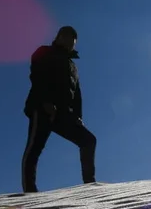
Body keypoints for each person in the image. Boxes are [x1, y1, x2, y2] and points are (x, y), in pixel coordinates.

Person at [21, 26, 97, 193]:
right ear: (60, 37)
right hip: (42, 107)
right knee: (34, 148)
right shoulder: (44, 52)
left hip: (63, 114)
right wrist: (46, 101)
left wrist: (78, 116)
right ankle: (30, 191)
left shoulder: (72, 67)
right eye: (69, 39)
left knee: (89, 140)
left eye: (74, 42)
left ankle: (90, 184)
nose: (72, 44)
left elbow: (77, 94)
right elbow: (37, 76)